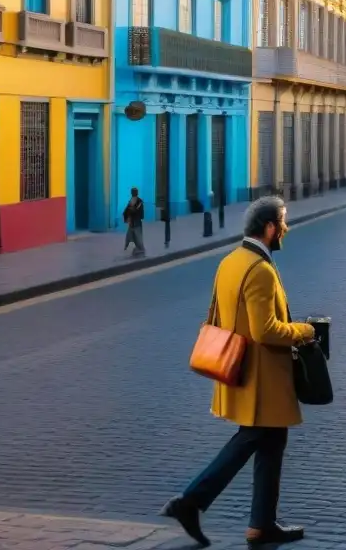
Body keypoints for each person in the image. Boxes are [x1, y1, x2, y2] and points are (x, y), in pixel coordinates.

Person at [161, 196, 315, 548]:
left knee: (272, 442)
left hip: (241, 370)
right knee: (252, 439)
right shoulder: (259, 269)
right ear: (270, 227)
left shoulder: (231, 260)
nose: (286, 229)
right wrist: (305, 331)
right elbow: (266, 331)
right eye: (283, 222)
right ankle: (190, 502)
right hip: (262, 376)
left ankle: (261, 525)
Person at [122, 187, 145, 257]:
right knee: (130, 235)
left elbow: (137, 211)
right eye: (133, 192)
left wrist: (128, 214)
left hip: (136, 222)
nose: (133, 193)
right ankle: (132, 247)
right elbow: (127, 210)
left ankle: (141, 249)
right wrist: (126, 216)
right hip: (132, 222)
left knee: (137, 236)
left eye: (134, 192)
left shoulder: (139, 201)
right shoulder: (131, 201)